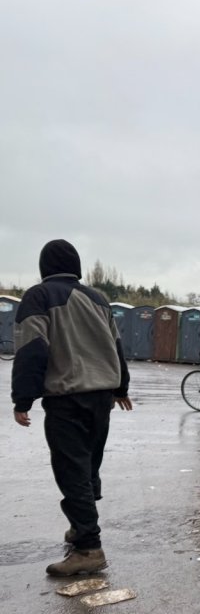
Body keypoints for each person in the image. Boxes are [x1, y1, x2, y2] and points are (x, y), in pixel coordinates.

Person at [11, 239, 132, 577]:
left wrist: (23, 399)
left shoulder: (39, 296)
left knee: (72, 470)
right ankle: (81, 528)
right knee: (88, 466)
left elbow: (33, 349)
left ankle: (88, 549)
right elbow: (116, 344)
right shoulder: (98, 298)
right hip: (102, 397)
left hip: (67, 398)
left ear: (44, 266)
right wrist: (121, 387)